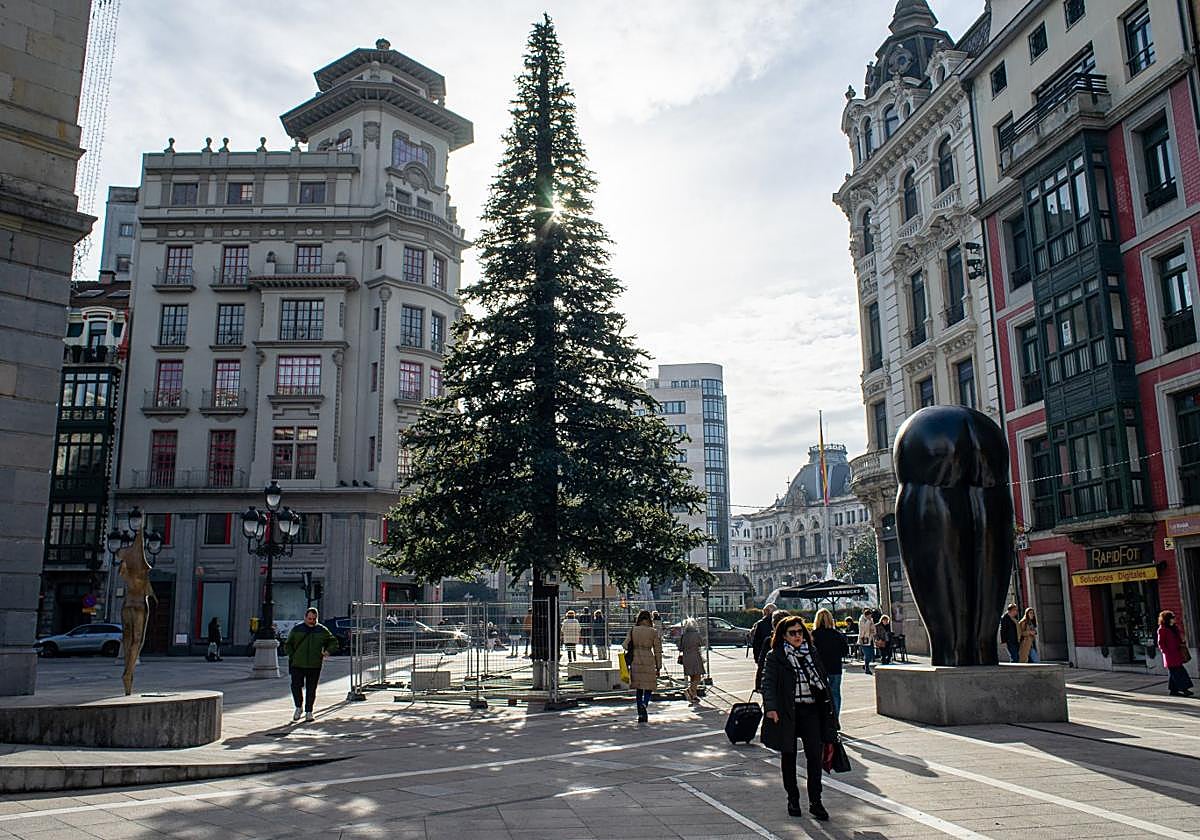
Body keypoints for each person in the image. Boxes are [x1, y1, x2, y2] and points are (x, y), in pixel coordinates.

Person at [761, 615, 837, 822]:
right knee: (789, 755)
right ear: (783, 636)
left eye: (800, 632)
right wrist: (771, 708)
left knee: (814, 756)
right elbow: (768, 682)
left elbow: (822, 680)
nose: (797, 636)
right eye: (792, 633)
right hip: (788, 710)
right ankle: (793, 799)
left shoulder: (811, 652)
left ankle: (816, 801)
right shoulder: (775, 656)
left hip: (811, 709)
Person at [283, 608, 338, 722]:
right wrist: (293, 655)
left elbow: (333, 641)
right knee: (296, 686)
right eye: (309, 619)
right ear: (305, 617)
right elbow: (288, 644)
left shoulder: (322, 630)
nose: (311, 621)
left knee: (311, 689)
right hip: (297, 664)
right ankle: (298, 707)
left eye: (314, 619)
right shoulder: (297, 629)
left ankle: (309, 711)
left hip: (314, 664)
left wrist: (328, 651)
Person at [624, 609, 663, 722]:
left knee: (639, 688)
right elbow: (658, 650)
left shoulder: (633, 630)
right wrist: (658, 666)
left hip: (635, 659)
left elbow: (625, 645)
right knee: (649, 686)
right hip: (649, 660)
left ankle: (640, 714)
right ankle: (645, 703)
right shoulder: (653, 631)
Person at [811, 609, 848, 717]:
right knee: (835, 693)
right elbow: (845, 651)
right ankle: (835, 718)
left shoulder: (813, 635)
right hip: (835, 666)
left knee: (820, 693)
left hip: (818, 668)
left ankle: (824, 718)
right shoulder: (837, 634)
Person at [1157, 610, 1194, 697]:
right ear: (1167, 619)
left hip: (1177, 653)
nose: (1173, 619)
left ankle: (1173, 690)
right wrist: (1165, 652)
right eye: (1172, 618)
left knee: (1173, 673)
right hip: (1170, 655)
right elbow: (1161, 643)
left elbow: (1178, 638)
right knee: (1179, 672)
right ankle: (1184, 689)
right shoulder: (1162, 629)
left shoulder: (1174, 628)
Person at [678, 617, 705, 703]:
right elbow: (702, 643)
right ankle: (689, 690)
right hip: (695, 656)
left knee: (692, 677)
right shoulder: (697, 634)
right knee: (698, 676)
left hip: (686, 658)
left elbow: (680, 647)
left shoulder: (684, 636)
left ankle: (694, 695)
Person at [751, 603, 777, 690]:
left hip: (763, 654)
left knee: (765, 678)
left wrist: (757, 658)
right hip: (776, 655)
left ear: (767, 612)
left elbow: (756, 642)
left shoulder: (761, 624)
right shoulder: (782, 622)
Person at [857, 609, 876, 675]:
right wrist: (868, 621)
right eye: (869, 615)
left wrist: (873, 631)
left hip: (870, 638)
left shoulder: (871, 620)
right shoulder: (861, 620)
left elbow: (873, 628)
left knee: (871, 654)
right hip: (864, 639)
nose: (870, 617)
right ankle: (867, 669)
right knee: (867, 654)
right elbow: (863, 629)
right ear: (866, 615)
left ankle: (865, 665)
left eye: (871, 615)